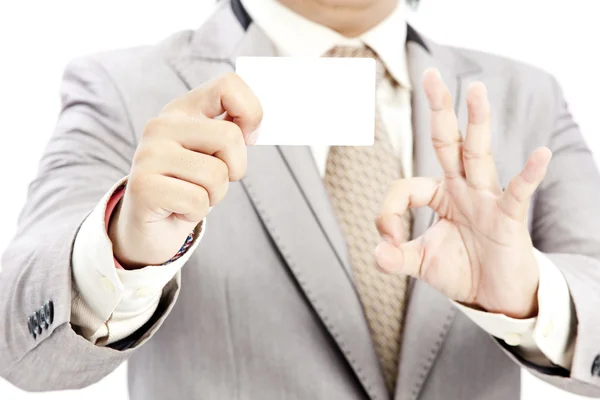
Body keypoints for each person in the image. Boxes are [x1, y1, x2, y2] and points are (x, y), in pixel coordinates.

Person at [1, 0, 600, 398]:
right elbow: (17, 339)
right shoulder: (126, 89)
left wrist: (532, 297)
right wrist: (124, 248)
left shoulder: (528, 97)